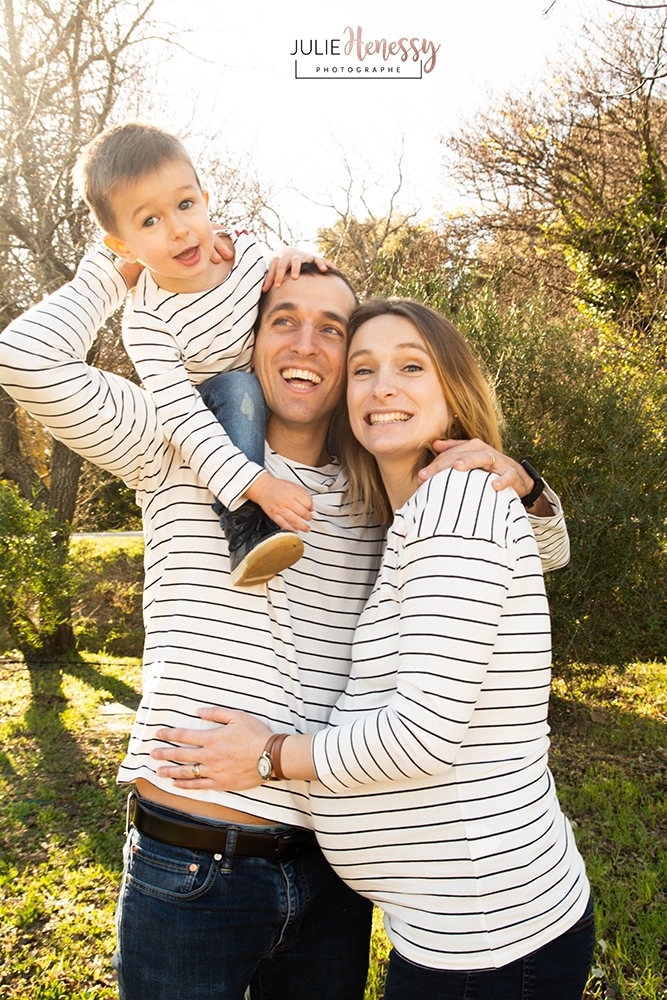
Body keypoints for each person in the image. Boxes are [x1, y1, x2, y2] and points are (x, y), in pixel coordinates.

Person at [0, 259, 569, 1000]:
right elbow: (25, 359)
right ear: (253, 337)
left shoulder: (380, 488)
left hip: (329, 880)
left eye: (331, 330)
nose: (305, 343)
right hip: (194, 867)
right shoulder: (179, 445)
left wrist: (516, 476)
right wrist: (133, 255)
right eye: (284, 320)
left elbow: (543, 549)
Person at [159, 299, 593, 1000]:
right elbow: (549, 550)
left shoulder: (455, 506)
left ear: (453, 392)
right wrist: (530, 487)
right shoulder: (420, 514)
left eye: (410, 366)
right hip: (457, 928)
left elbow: (421, 736)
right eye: (362, 370)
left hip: (488, 938)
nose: (382, 386)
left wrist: (268, 755)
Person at [74, 121, 324, 585]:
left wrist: (295, 258)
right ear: (122, 247)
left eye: (186, 205)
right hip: (213, 409)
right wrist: (259, 485)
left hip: (275, 390)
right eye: (150, 220)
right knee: (240, 387)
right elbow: (182, 418)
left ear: (206, 203)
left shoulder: (245, 255)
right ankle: (245, 528)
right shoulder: (147, 320)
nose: (179, 230)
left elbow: (291, 309)